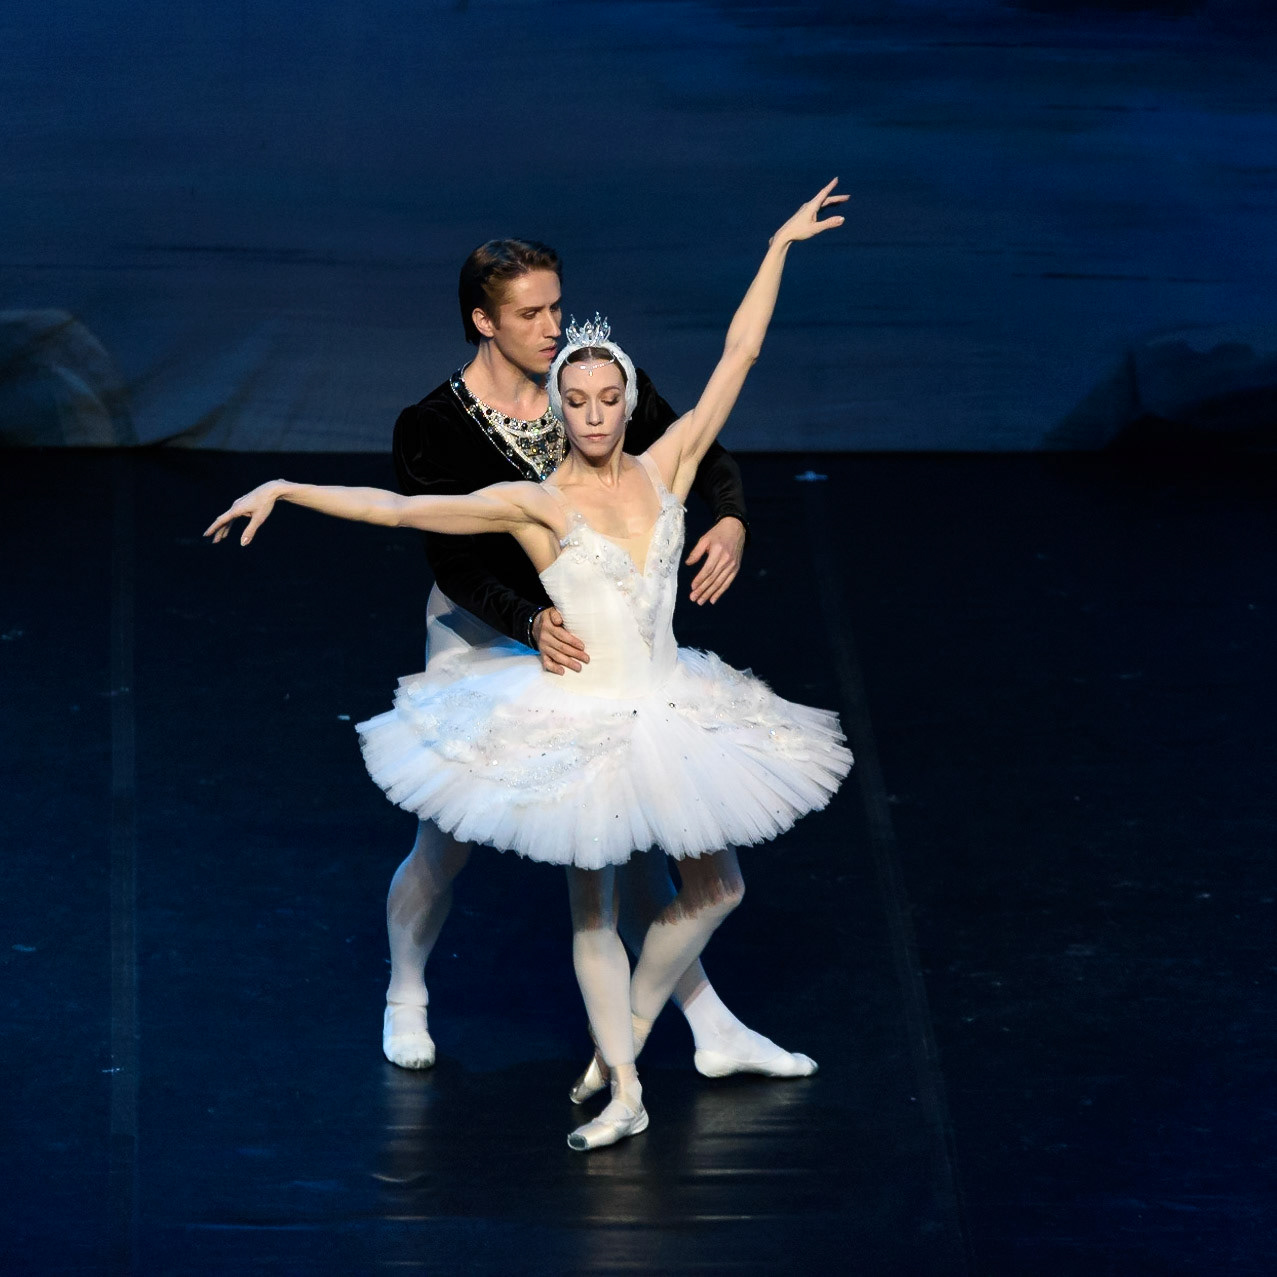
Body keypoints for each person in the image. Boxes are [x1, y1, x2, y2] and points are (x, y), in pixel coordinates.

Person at [207, 180, 853, 1151]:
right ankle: (438, 999)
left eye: (606, 395)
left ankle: (644, 1042)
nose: (559, 342)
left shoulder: (652, 448)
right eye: (533, 314)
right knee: (482, 853)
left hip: (656, 691)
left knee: (700, 880)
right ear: (485, 321)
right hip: (523, 662)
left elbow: (736, 359)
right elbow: (411, 519)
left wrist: (775, 246)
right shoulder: (506, 475)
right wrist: (285, 483)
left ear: (620, 401)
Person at [383, 237, 816, 1089]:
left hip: (600, 638)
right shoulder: (433, 425)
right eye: (530, 313)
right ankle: (404, 989)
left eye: (555, 305)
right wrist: (530, 618)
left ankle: (708, 1025)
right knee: (447, 837)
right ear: (483, 319)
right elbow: (453, 560)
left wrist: (728, 518)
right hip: (486, 635)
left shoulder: (591, 378)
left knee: (644, 829)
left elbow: (698, 447)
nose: (552, 326)